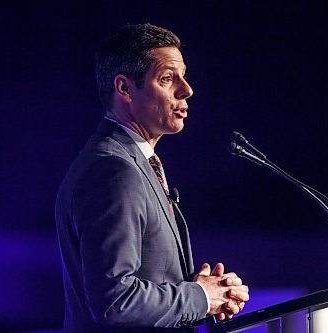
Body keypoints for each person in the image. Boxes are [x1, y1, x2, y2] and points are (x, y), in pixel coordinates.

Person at [55, 23, 249, 333]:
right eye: (168, 78)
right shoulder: (113, 171)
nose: (187, 90)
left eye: (184, 76)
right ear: (125, 89)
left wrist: (210, 293)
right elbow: (114, 301)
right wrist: (199, 296)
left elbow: (142, 286)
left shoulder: (132, 162)